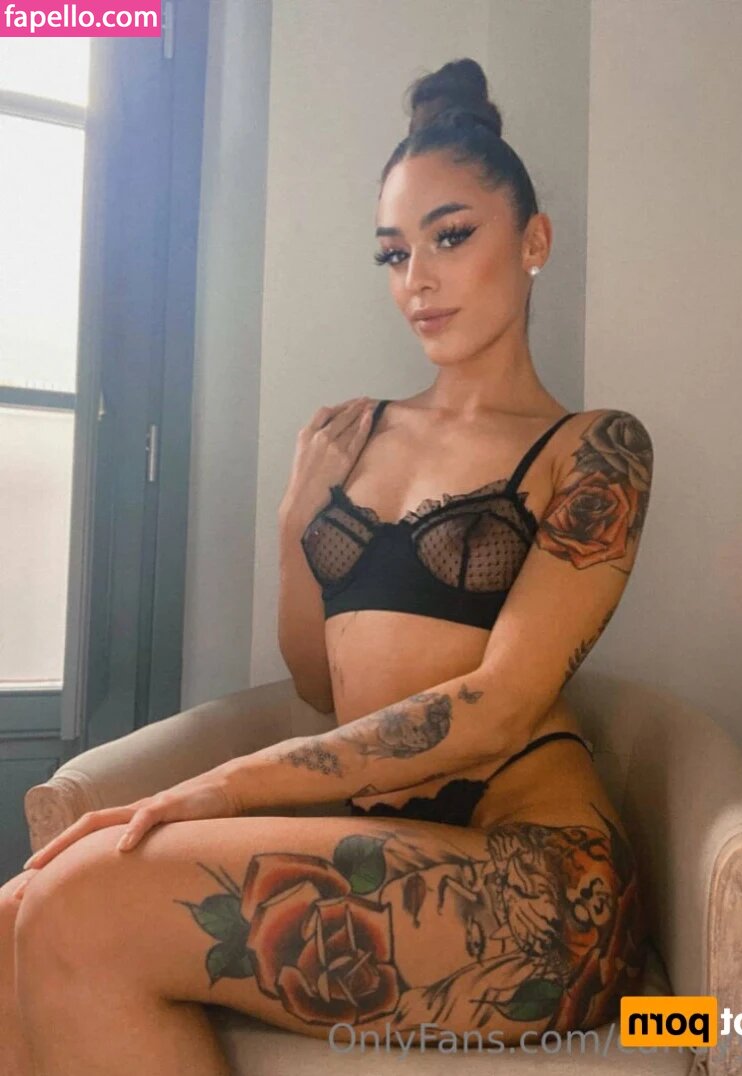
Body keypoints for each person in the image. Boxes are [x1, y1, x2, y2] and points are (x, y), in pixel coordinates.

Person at [2, 57, 654, 1073]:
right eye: (394, 253)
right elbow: (321, 682)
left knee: (78, 904)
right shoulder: (357, 433)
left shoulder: (595, 446)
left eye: (450, 236)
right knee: (13, 914)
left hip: (536, 873)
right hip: (388, 833)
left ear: (534, 240)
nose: (417, 279)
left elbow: (500, 705)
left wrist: (224, 787)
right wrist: (295, 521)